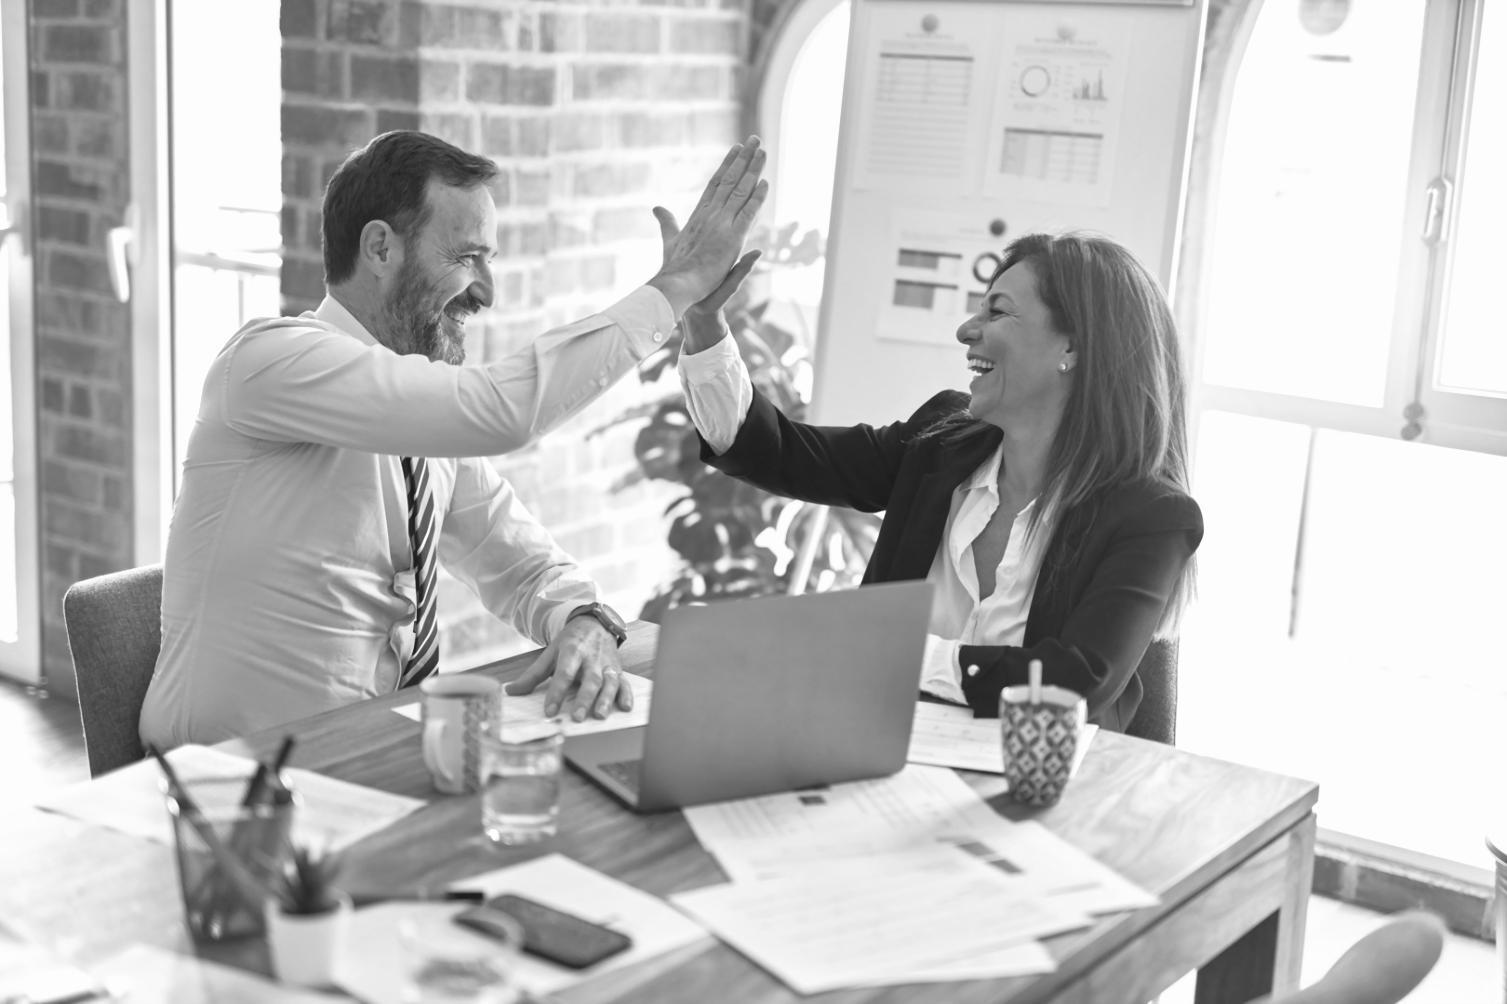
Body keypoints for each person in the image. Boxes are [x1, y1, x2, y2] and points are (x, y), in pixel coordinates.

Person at [139, 130, 767, 749]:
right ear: (380, 248)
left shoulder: (419, 424)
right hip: (225, 780)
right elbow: (501, 412)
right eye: (467, 258)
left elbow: (521, 562)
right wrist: (676, 287)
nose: (486, 293)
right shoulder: (270, 362)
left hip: (367, 756)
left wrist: (585, 617)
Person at [674, 231, 1201, 732]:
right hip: (874, 752)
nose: (966, 330)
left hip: (1037, 784)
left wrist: (896, 654)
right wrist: (702, 320)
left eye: (997, 312)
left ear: (1072, 348)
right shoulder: (940, 442)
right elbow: (777, 453)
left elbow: (1074, 682)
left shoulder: (1150, 516)